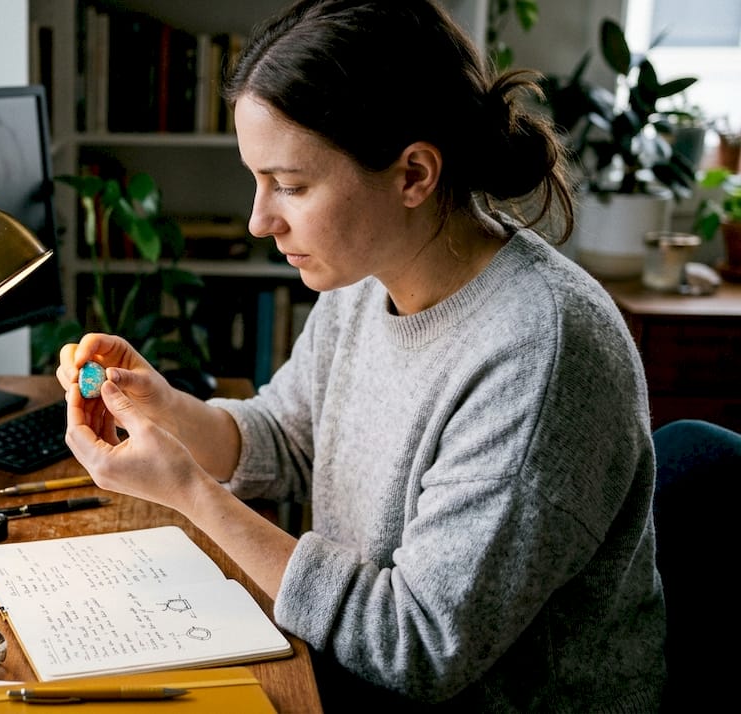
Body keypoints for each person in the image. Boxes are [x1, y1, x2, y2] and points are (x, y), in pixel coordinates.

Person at [56, 0, 665, 710]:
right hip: (345, 666)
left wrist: (193, 492)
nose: (259, 219)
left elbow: (416, 647)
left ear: (412, 175)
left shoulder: (540, 354)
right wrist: (163, 408)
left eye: (290, 185)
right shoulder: (368, 274)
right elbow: (284, 439)